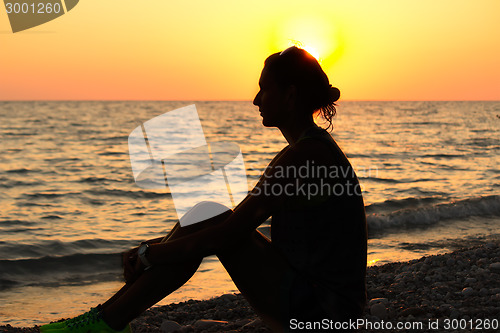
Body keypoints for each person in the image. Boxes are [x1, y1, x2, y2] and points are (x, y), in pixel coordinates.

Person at [40, 46, 367, 333]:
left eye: (263, 89)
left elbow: (225, 235)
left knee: (209, 218)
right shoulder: (313, 149)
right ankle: (106, 319)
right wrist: (151, 250)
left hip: (321, 316)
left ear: (290, 96)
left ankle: (107, 321)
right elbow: (227, 226)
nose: (255, 100)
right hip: (325, 309)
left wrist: (149, 254)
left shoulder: (302, 156)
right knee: (206, 215)